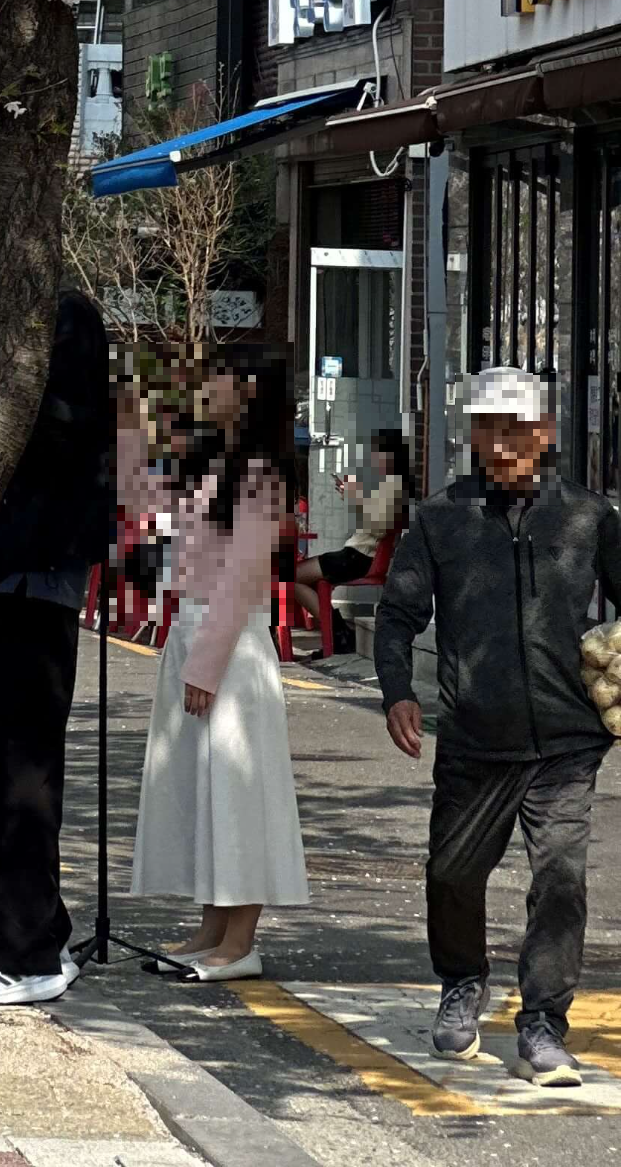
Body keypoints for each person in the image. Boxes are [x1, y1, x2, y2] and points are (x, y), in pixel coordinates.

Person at [375, 365, 621, 1086]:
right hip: (477, 738)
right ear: (474, 434)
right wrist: (397, 690)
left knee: (562, 880)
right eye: (488, 427)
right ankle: (461, 981)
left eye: (517, 428)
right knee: (453, 873)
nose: (502, 442)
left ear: (544, 433)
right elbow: (396, 616)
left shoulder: (587, 515)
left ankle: (543, 1023)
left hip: (568, 740)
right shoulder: (442, 518)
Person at [0, 277, 113, 1007]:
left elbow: (61, 432)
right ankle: (25, 929)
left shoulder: (58, 317)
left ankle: (25, 951)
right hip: (6, 572)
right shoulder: (32, 310)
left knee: (17, 770)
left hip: (29, 572)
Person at [123, 349, 309, 978]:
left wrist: (204, 665)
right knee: (201, 791)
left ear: (251, 391)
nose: (207, 390)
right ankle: (212, 926)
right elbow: (142, 498)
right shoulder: (215, 464)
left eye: (221, 379)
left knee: (238, 792)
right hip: (196, 635)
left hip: (230, 646)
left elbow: (241, 576)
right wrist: (129, 423)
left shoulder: (262, 473)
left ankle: (241, 939)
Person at [292, 426, 411, 651]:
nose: (373, 457)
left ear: (392, 454)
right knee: (301, 579)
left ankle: (339, 631)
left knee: (291, 577)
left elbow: (380, 524)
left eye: (378, 452)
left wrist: (357, 496)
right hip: (356, 555)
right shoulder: (390, 484)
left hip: (358, 557)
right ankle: (338, 635)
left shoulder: (394, 485)